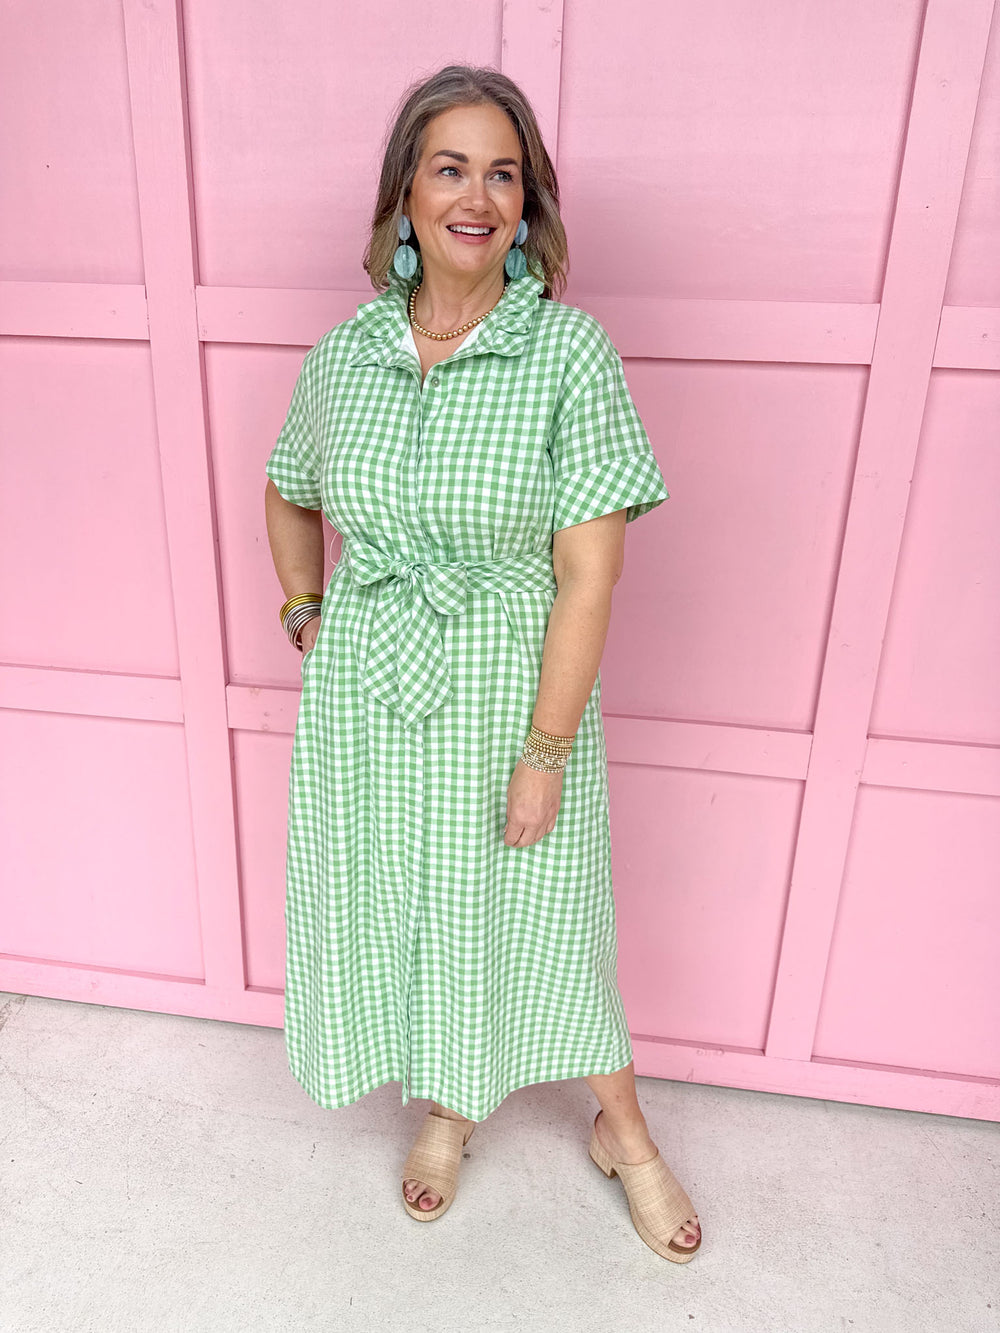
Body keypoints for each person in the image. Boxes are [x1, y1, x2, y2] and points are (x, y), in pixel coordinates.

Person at [263, 64, 702, 1263]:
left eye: (502, 172)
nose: (478, 195)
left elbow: (588, 576)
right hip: (371, 698)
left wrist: (545, 748)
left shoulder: (567, 354)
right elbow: (288, 487)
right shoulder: (345, 356)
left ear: (528, 202)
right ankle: (451, 1111)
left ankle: (623, 1128)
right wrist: (310, 609)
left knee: (546, 916)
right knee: (419, 908)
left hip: (511, 694)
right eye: (449, 167)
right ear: (405, 193)